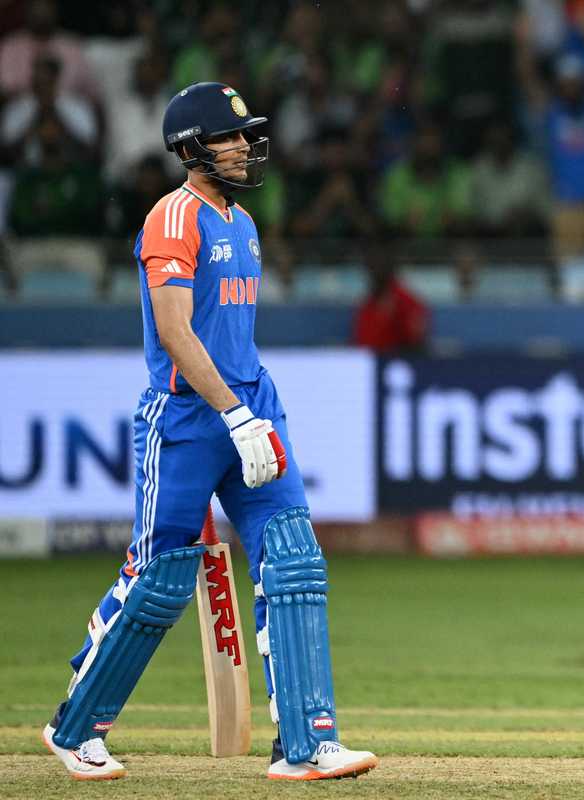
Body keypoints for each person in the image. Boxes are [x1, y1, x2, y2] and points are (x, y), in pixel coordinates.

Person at [41, 82, 378, 782]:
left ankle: (308, 744)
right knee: (160, 578)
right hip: (190, 420)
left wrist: (252, 411)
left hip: (252, 405)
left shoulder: (244, 222)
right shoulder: (172, 218)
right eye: (228, 137)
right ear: (191, 149)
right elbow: (174, 331)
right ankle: (75, 730)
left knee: (295, 562)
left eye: (244, 135)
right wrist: (232, 413)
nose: (243, 147)